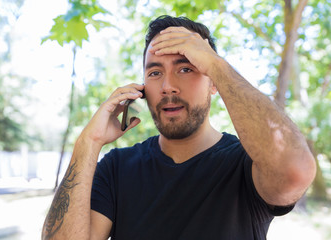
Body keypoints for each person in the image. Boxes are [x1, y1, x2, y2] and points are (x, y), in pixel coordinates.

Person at [41, 15, 316, 240]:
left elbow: (295, 169)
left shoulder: (247, 164)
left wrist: (215, 64)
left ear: (213, 83)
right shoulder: (116, 168)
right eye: (155, 72)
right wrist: (88, 143)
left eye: (186, 68)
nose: (167, 86)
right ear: (141, 89)